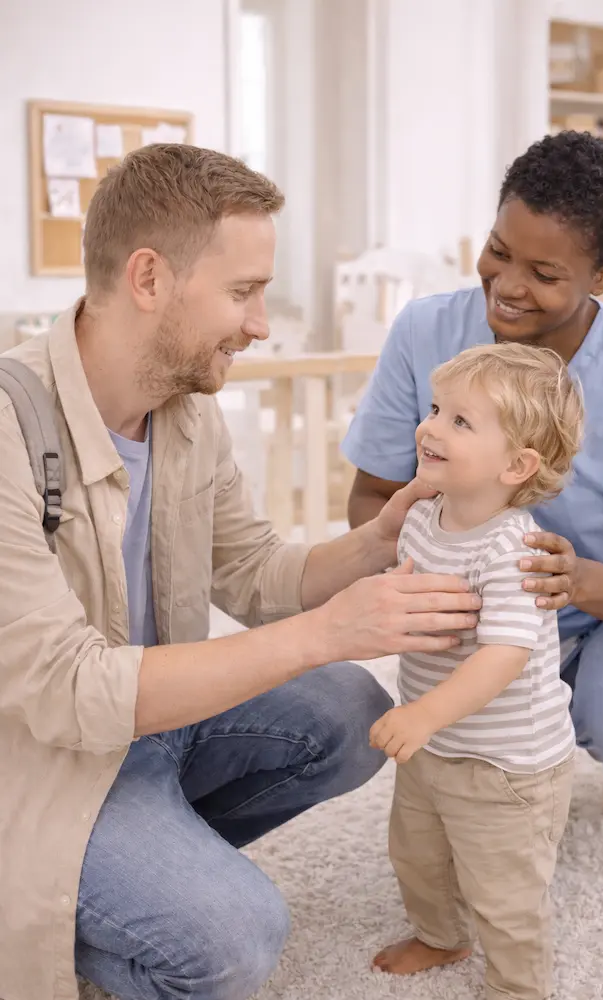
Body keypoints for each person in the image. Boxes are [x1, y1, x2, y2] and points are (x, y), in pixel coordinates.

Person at [0, 145, 491, 1000]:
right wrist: (326, 632)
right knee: (234, 942)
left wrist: (377, 539)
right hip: (40, 758)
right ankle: (64, 894)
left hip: (147, 726)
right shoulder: (11, 427)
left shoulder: (186, 412)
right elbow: (68, 690)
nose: (261, 323)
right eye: (242, 292)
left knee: (349, 710)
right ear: (148, 278)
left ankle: (129, 872)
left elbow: (257, 572)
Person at [343, 130, 603, 829]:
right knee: (455, 738)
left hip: (602, 608)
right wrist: (420, 573)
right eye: (497, 250)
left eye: (544, 275)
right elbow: (370, 495)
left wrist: (573, 581)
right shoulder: (425, 329)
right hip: (464, 598)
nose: (507, 286)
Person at [368, 343, 584, 1000]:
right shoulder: (422, 520)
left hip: (505, 767)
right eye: (435, 409)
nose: (430, 427)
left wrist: (424, 712)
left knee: (504, 890)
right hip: (435, 746)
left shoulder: (511, 548)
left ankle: (517, 986)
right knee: (417, 855)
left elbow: (502, 656)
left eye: (460, 422)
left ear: (516, 465)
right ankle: (438, 934)